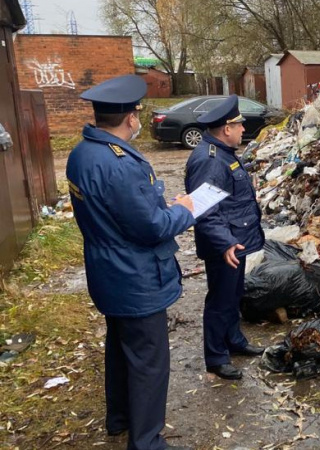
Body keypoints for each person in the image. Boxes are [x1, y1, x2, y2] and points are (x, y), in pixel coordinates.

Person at [66, 75, 195, 450]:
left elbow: (120, 211)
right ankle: (147, 441)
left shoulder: (82, 152)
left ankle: (119, 418)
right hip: (135, 277)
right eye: (138, 113)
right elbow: (151, 228)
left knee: (121, 349)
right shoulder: (119, 163)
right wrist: (184, 211)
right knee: (149, 361)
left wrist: (156, 205)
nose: (139, 120)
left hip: (107, 269)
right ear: (129, 117)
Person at [184, 95, 265, 381]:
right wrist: (225, 243)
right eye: (239, 125)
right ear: (225, 129)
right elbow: (205, 210)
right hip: (225, 245)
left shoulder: (222, 152)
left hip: (235, 240)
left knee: (233, 295)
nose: (244, 129)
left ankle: (235, 341)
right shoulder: (209, 160)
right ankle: (216, 357)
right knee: (220, 300)